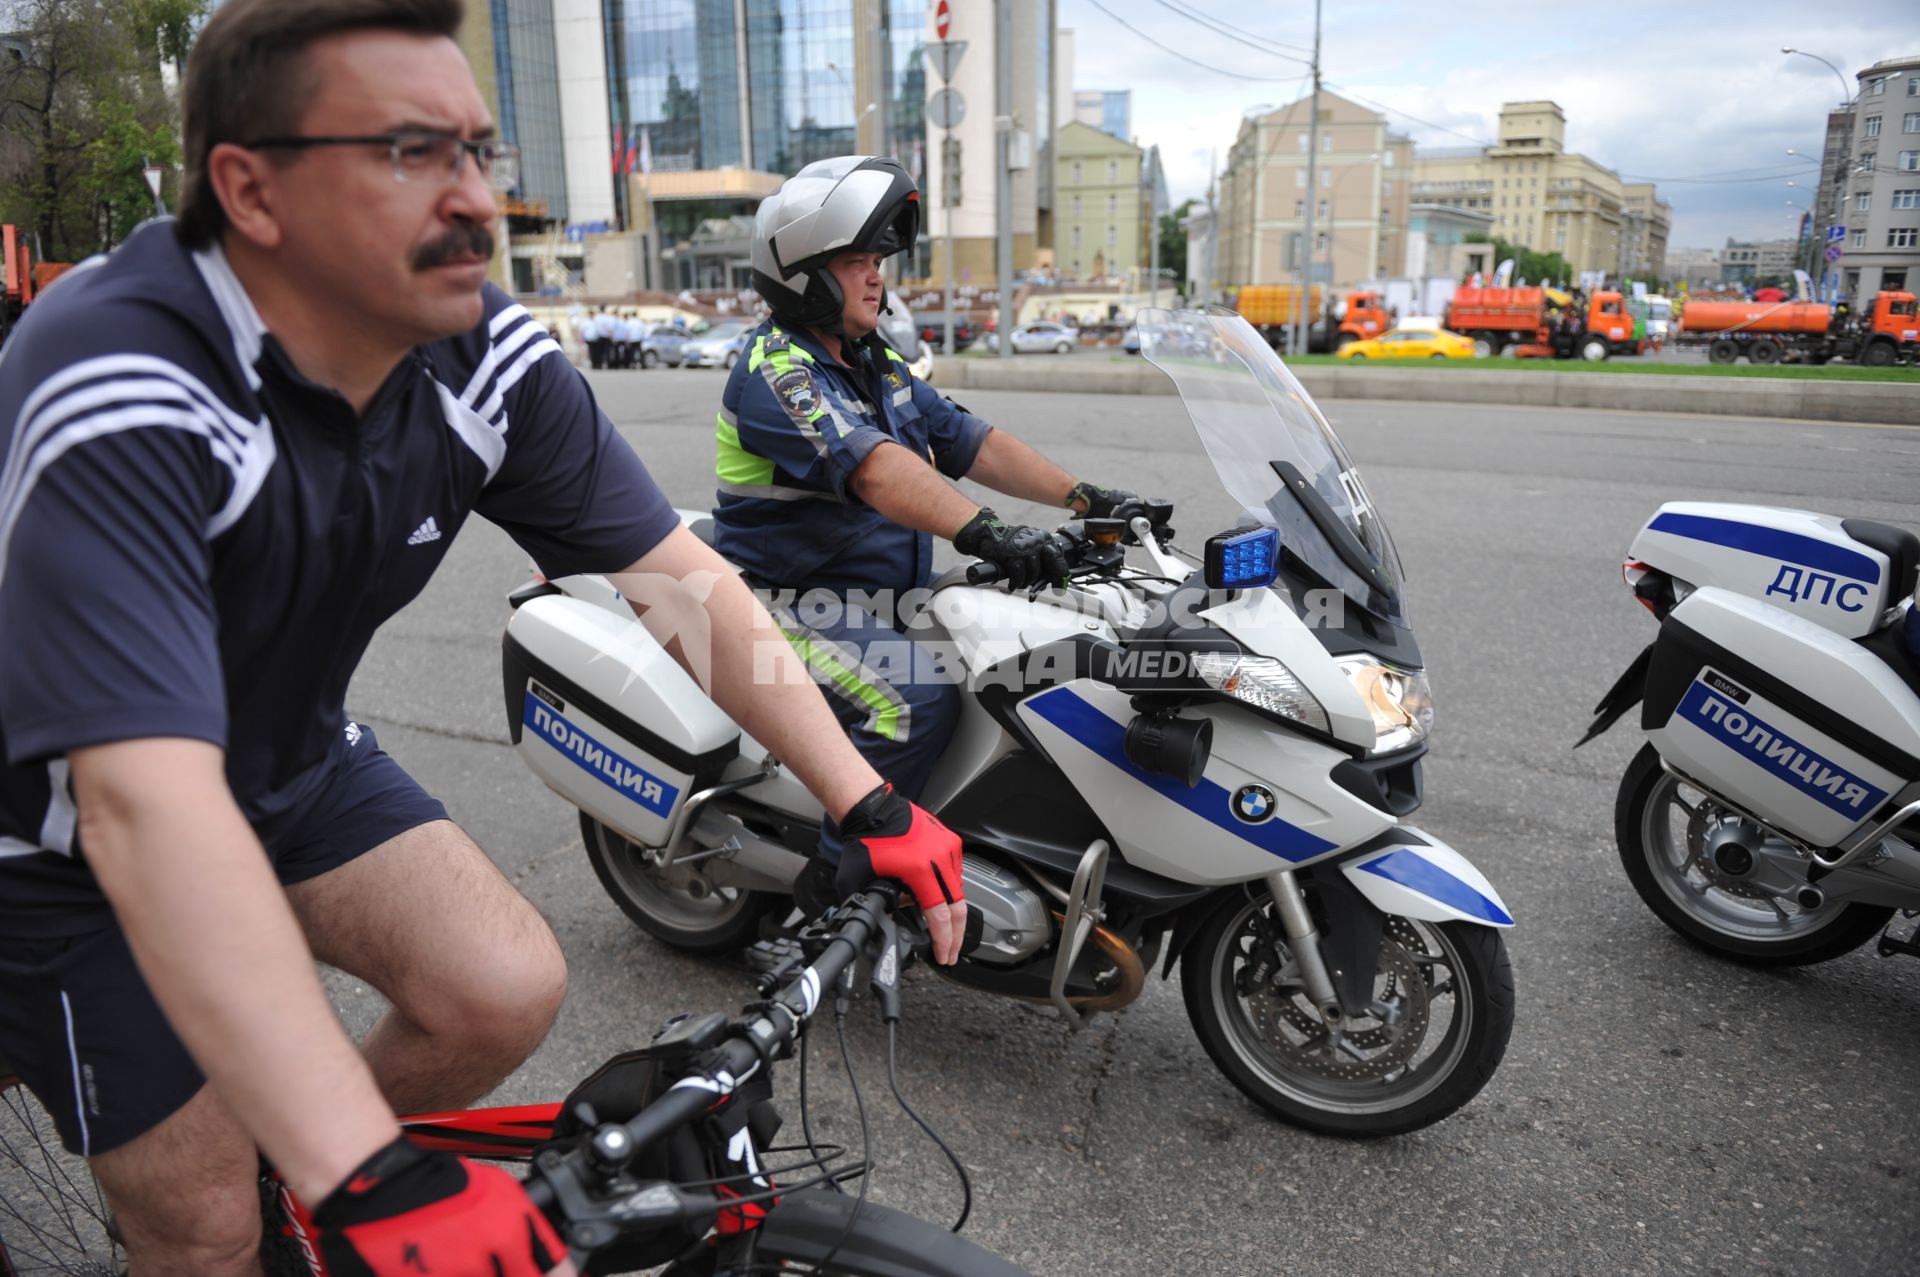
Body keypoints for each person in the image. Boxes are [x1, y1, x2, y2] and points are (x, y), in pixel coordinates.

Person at [0, 6, 964, 1276]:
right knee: (201, 1221)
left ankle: (297, 1179)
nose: (472, 201)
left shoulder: (485, 352)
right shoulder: (120, 377)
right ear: (251, 188)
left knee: (499, 984)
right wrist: (372, 1161)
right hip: (62, 834)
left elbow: (681, 582)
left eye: (477, 153)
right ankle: (257, 1204)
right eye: (412, 153)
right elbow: (140, 807)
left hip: (285, 761)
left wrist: (869, 800)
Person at [711, 155, 1137, 898]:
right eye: (855, 261)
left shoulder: (873, 360)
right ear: (803, 272)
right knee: (912, 700)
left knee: (1027, 649)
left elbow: (967, 439)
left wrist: (1086, 499)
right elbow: (876, 469)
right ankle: (843, 897)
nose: (877, 276)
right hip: (787, 601)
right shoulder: (778, 373)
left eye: (877, 260)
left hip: (883, 597)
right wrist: (989, 532)